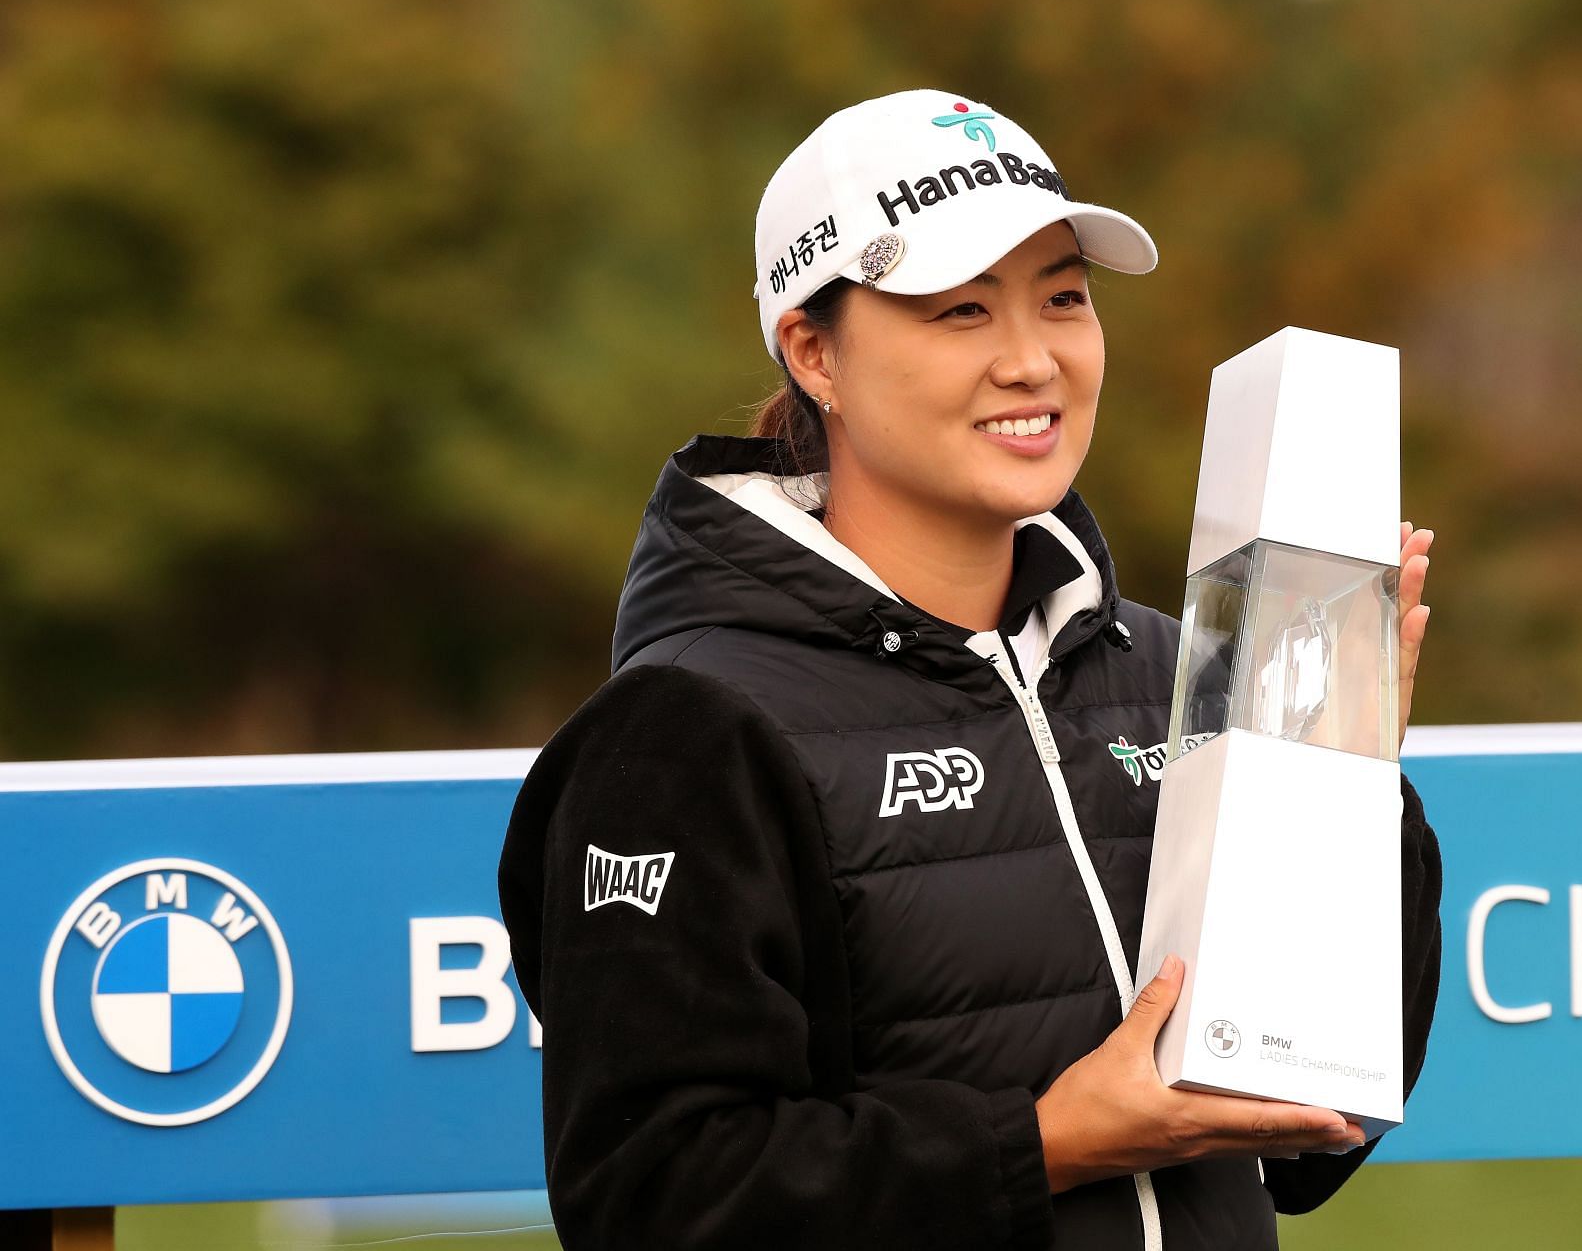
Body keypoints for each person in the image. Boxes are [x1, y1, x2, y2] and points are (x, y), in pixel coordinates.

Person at [497, 88, 1442, 1251]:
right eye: (959, 312)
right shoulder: (689, 728)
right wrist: (1041, 1142)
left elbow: (1307, 1135)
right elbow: (653, 1198)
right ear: (814, 352)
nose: (1032, 360)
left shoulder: (1165, 665)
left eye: (1063, 300)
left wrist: (1342, 791)